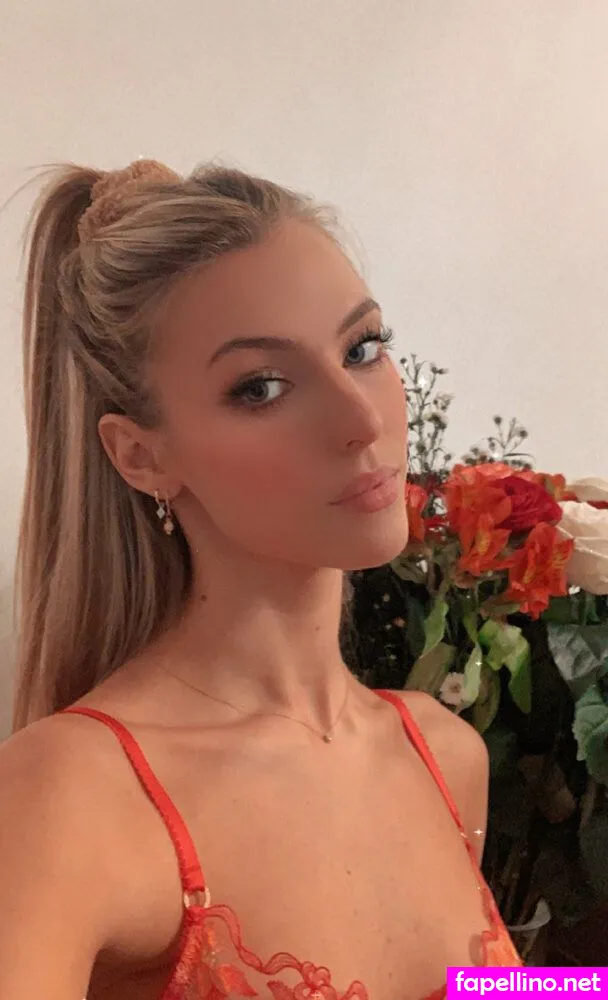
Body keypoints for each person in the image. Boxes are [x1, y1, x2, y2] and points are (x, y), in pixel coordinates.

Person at [0, 159, 520, 1000]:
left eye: (362, 348)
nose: (362, 421)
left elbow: (487, 991)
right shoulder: (69, 796)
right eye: (262, 387)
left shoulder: (442, 754)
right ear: (141, 455)